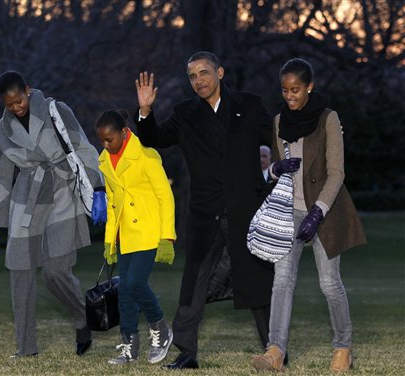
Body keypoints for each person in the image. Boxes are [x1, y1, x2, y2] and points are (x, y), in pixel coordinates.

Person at [135, 51, 275, 369]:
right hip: (204, 211)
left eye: (204, 73)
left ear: (220, 72)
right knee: (193, 283)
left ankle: (274, 348)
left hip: (245, 209)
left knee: (257, 278)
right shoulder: (185, 113)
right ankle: (187, 352)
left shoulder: (248, 105)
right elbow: (153, 138)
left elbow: (279, 137)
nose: (199, 80)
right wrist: (145, 111)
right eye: (193, 76)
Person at [251, 58, 366, 372]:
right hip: (290, 212)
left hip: (324, 211)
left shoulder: (328, 119)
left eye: (296, 90)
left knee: (329, 284)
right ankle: (275, 351)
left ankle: (343, 348)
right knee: (282, 281)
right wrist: (276, 168)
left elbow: (337, 172)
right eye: (285, 90)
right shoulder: (278, 122)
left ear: (310, 87)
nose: (290, 96)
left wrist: (318, 212)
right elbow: (275, 168)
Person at [0, 71, 107, 358]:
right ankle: (26, 349)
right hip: (26, 199)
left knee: (55, 272)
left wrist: (98, 188)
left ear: (27, 90)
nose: (16, 107)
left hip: (63, 192)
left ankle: (81, 319)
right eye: (9, 104)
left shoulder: (57, 111)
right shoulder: (2, 131)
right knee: (19, 273)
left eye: (19, 100)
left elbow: (83, 148)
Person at [95, 109, 176, 365]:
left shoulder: (146, 155)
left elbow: (165, 196)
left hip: (149, 231)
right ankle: (129, 346)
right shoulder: (105, 161)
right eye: (101, 140)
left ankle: (160, 329)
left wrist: (167, 237)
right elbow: (111, 204)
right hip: (124, 235)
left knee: (134, 283)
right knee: (125, 292)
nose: (106, 145)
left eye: (110, 139)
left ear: (123, 132)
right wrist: (109, 240)